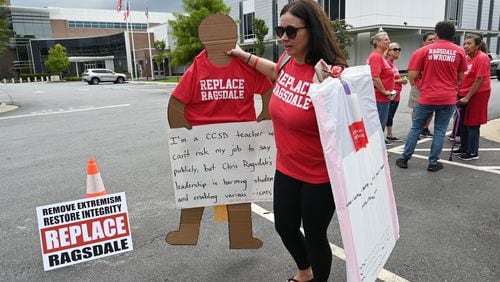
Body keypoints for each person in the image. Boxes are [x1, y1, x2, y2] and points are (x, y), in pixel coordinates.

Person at [227, 0, 347, 280]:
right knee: (285, 226)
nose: (283, 37)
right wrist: (243, 55)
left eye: (291, 31)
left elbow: (347, 124)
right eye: (281, 30)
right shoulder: (286, 61)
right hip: (287, 166)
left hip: (320, 174)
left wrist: (329, 90)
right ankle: (305, 272)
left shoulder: (331, 73)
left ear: (312, 30)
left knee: (315, 234)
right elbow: (274, 71)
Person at [166, 14, 273, 249]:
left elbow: (267, 90)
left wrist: (266, 115)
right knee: (196, 190)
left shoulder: (245, 65)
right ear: (206, 41)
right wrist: (183, 135)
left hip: (239, 143)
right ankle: (188, 233)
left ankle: (241, 236)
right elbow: (176, 104)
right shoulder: (197, 68)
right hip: (203, 145)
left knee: (239, 190)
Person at [396, 20, 467, 172]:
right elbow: (461, 77)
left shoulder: (423, 51)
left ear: (436, 33)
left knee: (416, 127)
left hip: (427, 97)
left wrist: (422, 86)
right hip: (448, 97)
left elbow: (412, 75)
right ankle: (433, 163)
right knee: (440, 130)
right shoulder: (460, 51)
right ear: (453, 35)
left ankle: (404, 158)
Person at [453, 33, 491, 160]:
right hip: (464, 93)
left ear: (478, 45)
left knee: (473, 123)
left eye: (469, 43)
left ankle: (473, 152)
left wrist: (468, 97)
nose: (466, 46)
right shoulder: (467, 58)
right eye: (465, 43)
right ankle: (464, 147)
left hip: (477, 94)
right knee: (463, 122)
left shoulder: (482, 58)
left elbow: (479, 79)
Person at [367, 31, 395, 144]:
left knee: (379, 126)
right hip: (379, 98)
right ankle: (377, 153)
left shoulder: (380, 57)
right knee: (378, 126)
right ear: (378, 43)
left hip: (383, 98)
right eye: (386, 40)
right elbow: (375, 76)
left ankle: (378, 151)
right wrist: (384, 91)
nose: (389, 41)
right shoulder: (376, 57)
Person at [408, 32, 436, 138]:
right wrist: (414, 86)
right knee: (417, 110)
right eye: (430, 39)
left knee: (431, 110)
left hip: (432, 88)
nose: (433, 41)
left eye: (434, 39)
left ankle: (425, 128)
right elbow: (412, 73)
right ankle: (416, 130)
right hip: (419, 87)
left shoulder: (436, 55)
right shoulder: (419, 53)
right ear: (424, 42)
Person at [384, 42, 408, 142]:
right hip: (390, 94)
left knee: (391, 115)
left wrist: (400, 80)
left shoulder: (392, 64)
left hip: (396, 94)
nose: (397, 51)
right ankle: (382, 136)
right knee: (386, 115)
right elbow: (383, 80)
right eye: (395, 49)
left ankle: (389, 134)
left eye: (399, 49)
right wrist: (400, 81)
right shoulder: (386, 63)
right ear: (388, 51)